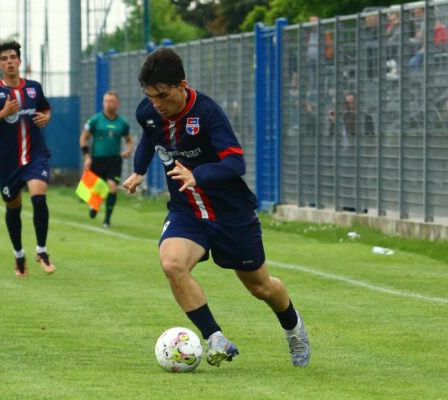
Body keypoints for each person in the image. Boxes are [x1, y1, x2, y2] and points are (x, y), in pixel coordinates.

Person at [123, 48, 310, 368]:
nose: (157, 103)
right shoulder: (150, 111)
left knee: (260, 286)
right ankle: (215, 337)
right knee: (172, 264)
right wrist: (139, 170)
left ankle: (293, 327)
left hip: (230, 214)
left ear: (182, 85)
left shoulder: (207, 113)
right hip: (187, 212)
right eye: (151, 95)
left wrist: (199, 175)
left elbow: (236, 162)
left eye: (163, 95)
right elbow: (148, 137)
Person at [0, 41, 56, 277]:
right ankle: (19, 255)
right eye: (4, 58)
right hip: (9, 161)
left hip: (35, 155)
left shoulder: (34, 88)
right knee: (14, 207)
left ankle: (41, 251)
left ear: (20, 61)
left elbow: (45, 109)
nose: (9, 61)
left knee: (39, 198)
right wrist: (3, 113)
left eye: (13, 57)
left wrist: (46, 118)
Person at [79, 90, 133, 227]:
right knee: (96, 189)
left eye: (111, 101)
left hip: (114, 160)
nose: (108, 104)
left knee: (112, 187)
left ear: (117, 103)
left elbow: (129, 141)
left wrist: (128, 150)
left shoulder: (123, 123)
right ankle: (94, 206)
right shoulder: (95, 120)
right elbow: (83, 138)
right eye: (106, 101)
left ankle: (107, 219)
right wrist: (87, 157)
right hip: (97, 159)